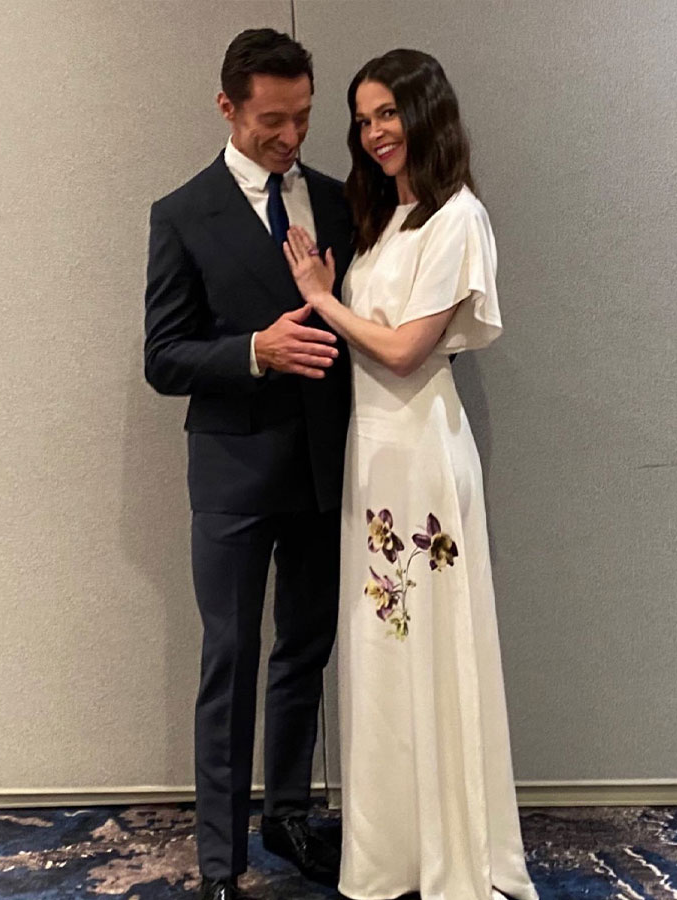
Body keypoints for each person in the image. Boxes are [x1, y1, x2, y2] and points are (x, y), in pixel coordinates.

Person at [283, 49, 539, 900]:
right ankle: (391, 849)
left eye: (387, 111)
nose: (374, 131)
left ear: (426, 112)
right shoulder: (389, 219)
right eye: (363, 118)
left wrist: (321, 298)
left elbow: (403, 349)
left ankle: (451, 852)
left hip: (424, 456)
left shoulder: (457, 219)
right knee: (386, 646)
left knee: (428, 643)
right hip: (376, 458)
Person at [143, 29, 352, 900]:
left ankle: (293, 820)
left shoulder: (340, 202)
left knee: (304, 650)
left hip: (324, 468)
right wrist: (255, 352)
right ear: (228, 106)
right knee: (229, 657)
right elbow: (164, 358)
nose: (292, 137)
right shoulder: (181, 212)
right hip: (230, 477)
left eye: (304, 118)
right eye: (274, 120)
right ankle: (222, 860)